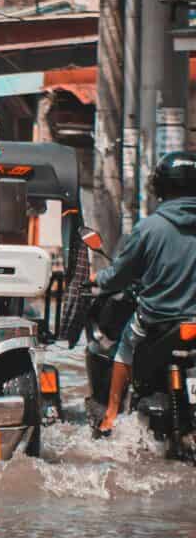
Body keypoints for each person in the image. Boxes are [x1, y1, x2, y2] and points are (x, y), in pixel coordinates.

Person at [96, 151, 196, 434]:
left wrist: (99, 278)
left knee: (125, 347)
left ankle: (111, 414)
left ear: (161, 187)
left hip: (156, 320)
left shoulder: (150, 228)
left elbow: (119, 275)